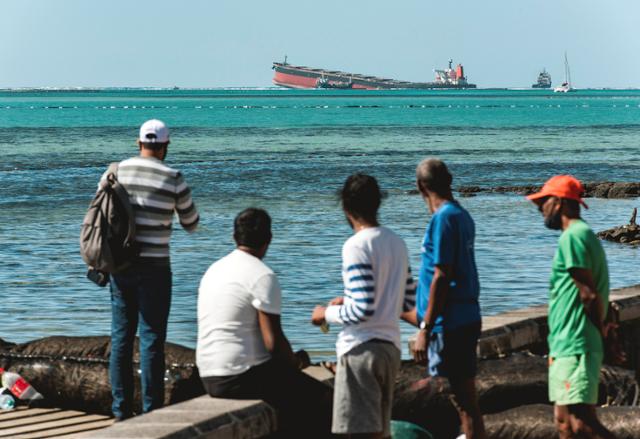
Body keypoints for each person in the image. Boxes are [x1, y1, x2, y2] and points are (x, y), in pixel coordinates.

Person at [197, 208, 333, 438]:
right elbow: (273, 343)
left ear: (234, 237)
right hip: (239, 377)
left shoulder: (214, 269)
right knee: (323, 396)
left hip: (208, 375)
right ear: (269, 239)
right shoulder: (262, 275)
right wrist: (296, 362)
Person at [104, 119, 199, 420]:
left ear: (138, 143)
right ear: (165, 146)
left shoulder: (115, 171)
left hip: (120, 266)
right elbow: (191, 223)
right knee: (152, 339)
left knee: (121, 338)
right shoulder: (173, 177)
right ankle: (151, 411)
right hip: (156, 268)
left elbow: (102, 210)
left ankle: (120, 411)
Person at [311, 174, 416, 439]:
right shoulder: (396, 242)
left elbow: (362, 311)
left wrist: (326, 313)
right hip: (390, 349)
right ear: (378, 203)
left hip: (361, 351)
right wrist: (353, 300)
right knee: (380, 432)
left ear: (346, 207)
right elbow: (407, 302)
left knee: (358, 433)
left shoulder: (356, 246)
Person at [403, 158, 486, 439]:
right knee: (463, 401)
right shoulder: (461, 215)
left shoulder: (444, 218)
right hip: (461, 316)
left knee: (464, 403)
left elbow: (441, 275)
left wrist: (425, 329)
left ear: (420, 187)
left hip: (450, 323)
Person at [527, 175, 616, 439]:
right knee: (564, 422)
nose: (539, 208)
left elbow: (588, 294)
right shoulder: (580, 235)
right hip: (567, 341)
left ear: (559, 202)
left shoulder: (574, 237)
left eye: (543, 202)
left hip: (577, 340)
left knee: (582, 423)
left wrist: (601, 332)